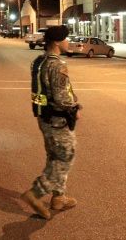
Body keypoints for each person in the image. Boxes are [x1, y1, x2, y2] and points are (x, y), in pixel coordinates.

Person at [21, 25, 82, 220]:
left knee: (54, 156)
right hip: (57, 119)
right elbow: (62, 97)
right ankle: (36, 192)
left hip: (44, 116)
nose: (68, 41)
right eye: (65, 38)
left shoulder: (38, 61)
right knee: (65, 156)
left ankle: (59, 197)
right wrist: (75, 108)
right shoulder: (57, 65)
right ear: (57, 42)